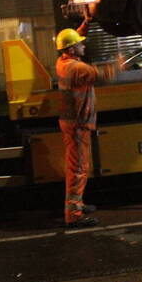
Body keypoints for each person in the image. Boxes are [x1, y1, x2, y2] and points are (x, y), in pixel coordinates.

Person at [55, 20, 117, 228]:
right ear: (72, 49)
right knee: (79, 169)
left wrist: (86, 23)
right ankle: (74, 215)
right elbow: (103, 75)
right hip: (78, 125)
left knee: (79, 166)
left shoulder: (63, 62)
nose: (84, 45)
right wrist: (119, 63)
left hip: (72, 123)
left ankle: (77, 204)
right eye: (80, 44)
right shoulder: (77, 69)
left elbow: (75, 38)